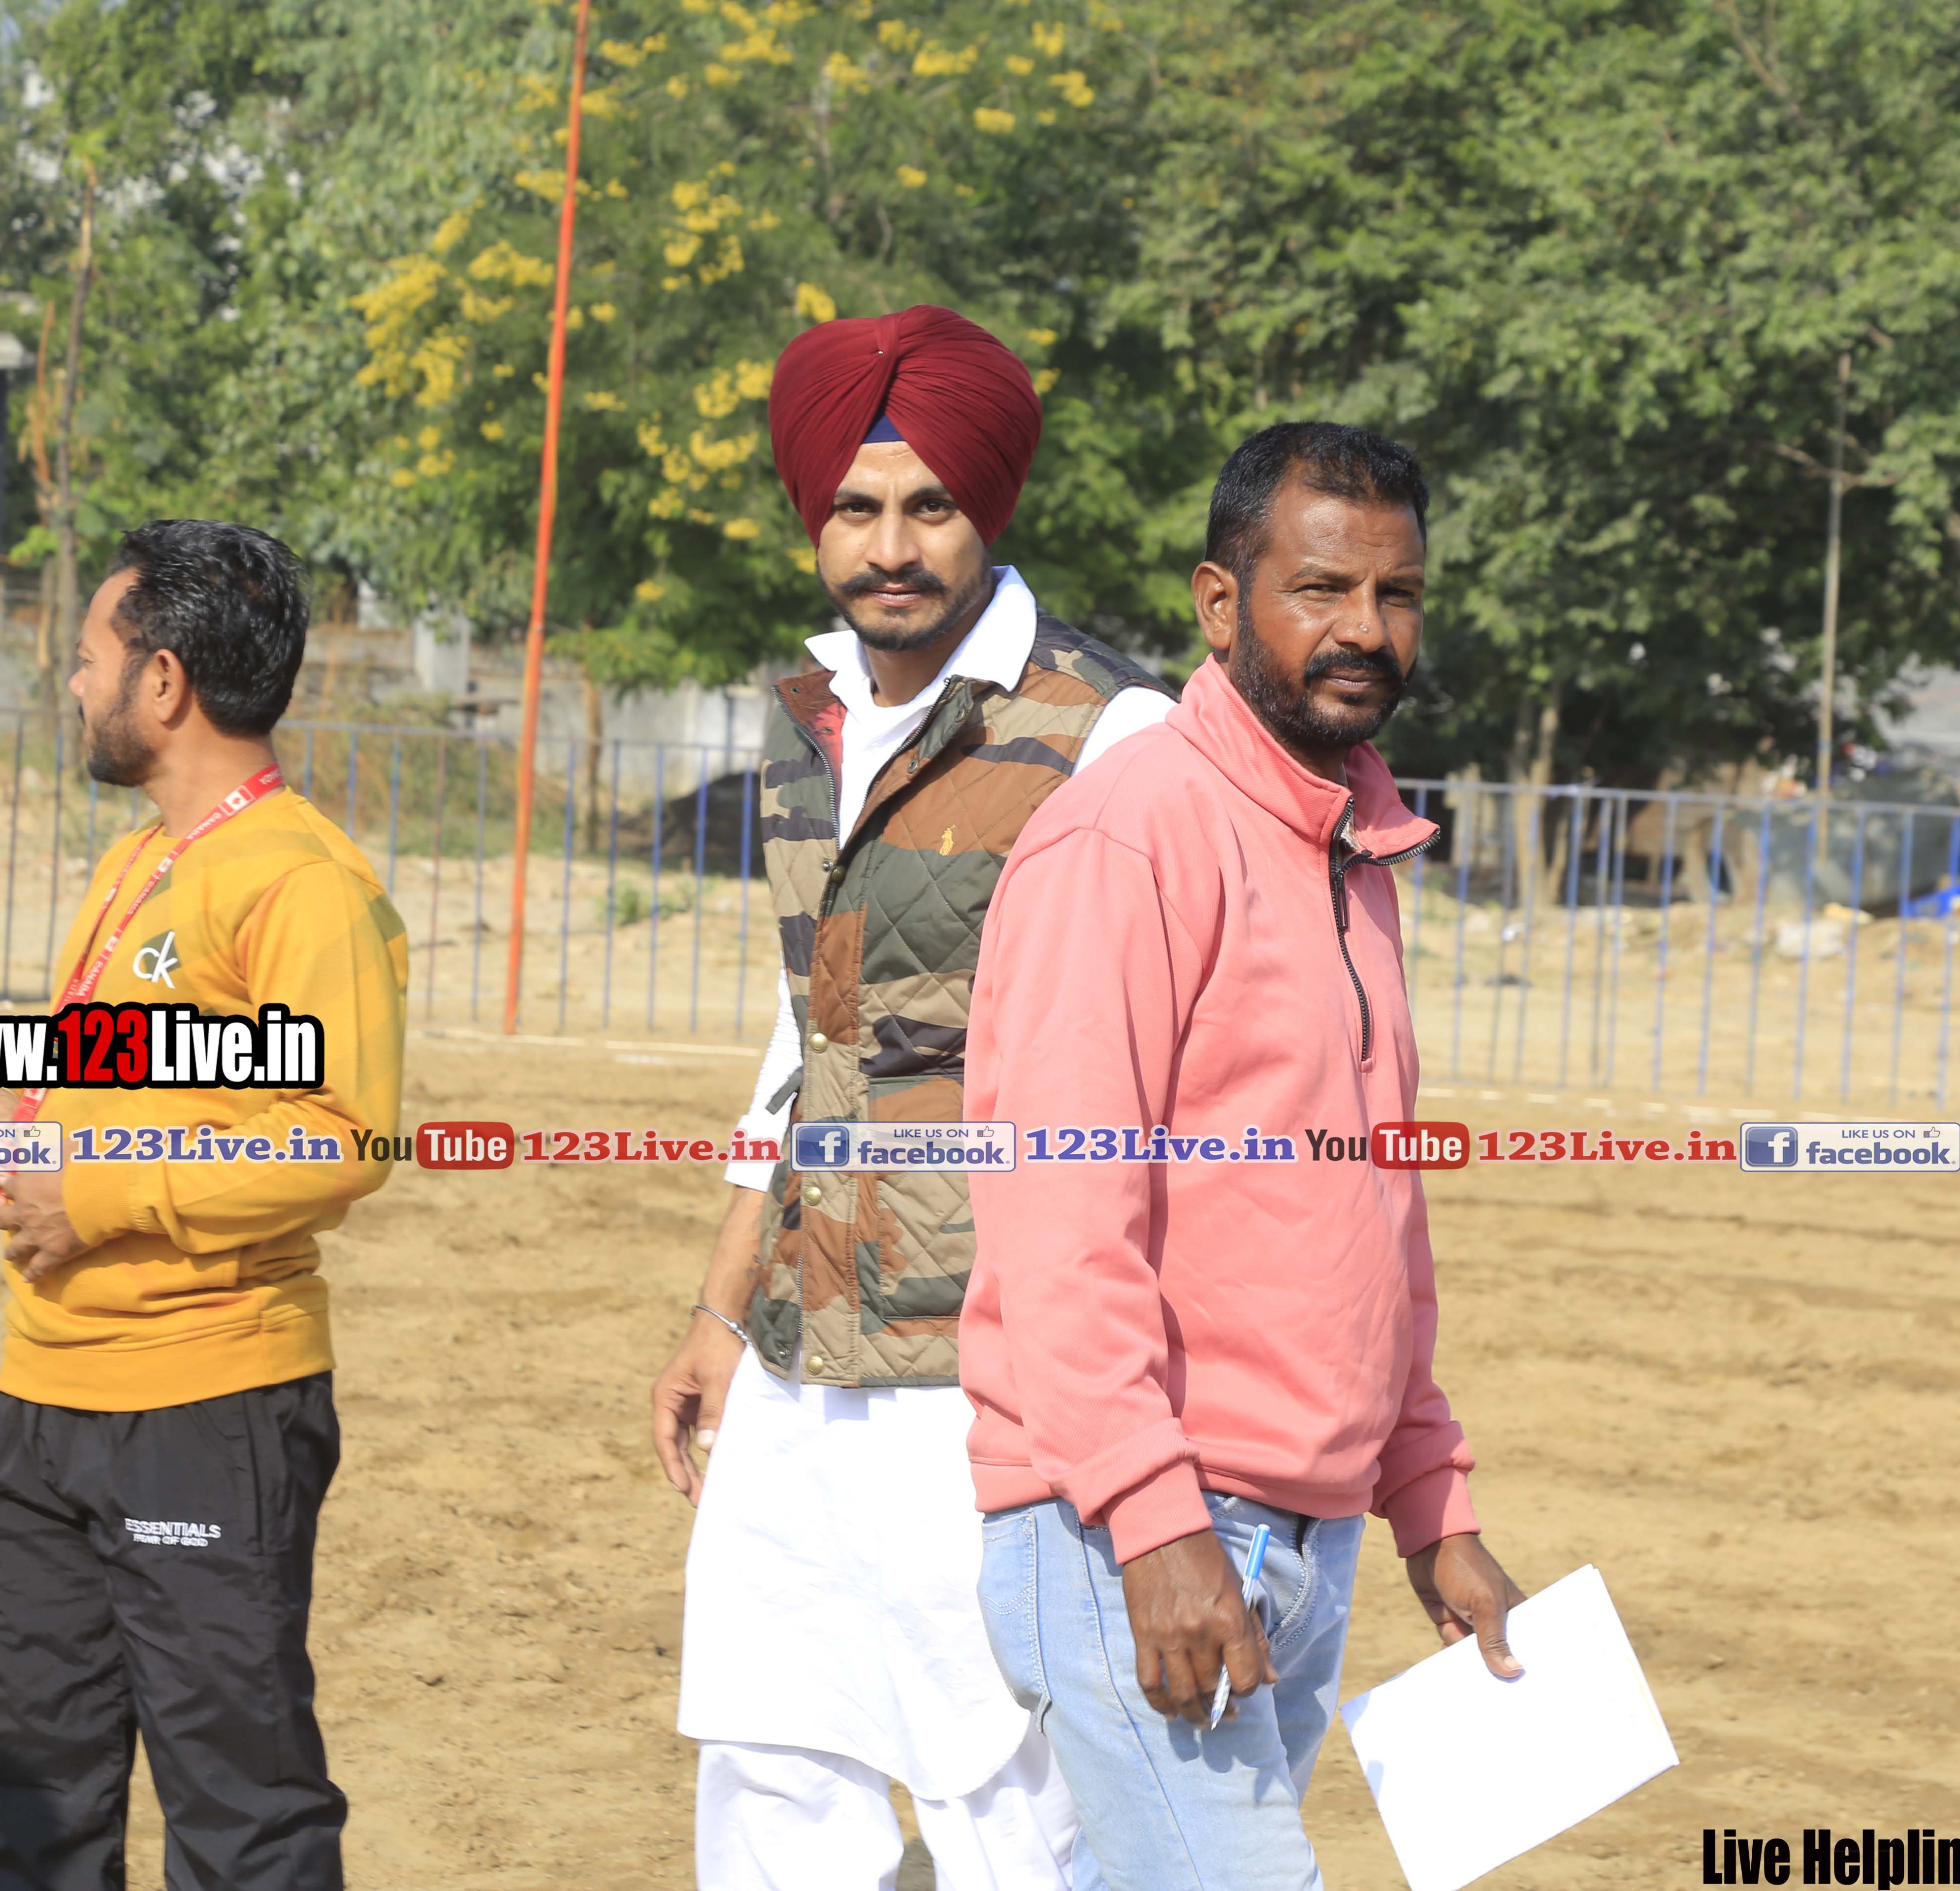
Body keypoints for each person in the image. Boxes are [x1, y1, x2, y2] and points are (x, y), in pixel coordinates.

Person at [959, 422, 1528, 1889]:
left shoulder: (1350, 846)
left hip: (1302, 1530)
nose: (1366, 630)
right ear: (1220, 604)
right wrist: (1155, 1524)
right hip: (1142, 1521)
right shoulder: (1128, 836)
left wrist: (1429, 1499)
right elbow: (1059, 1218)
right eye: (1321, 588)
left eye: (1397, 594)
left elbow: (1372, 1218)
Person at [647, 303, 1173, 1891]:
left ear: (986, 506)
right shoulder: (805, 720)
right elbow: (806, 1031)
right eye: (857, 508)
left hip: (992, 1365)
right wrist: (721, 1307)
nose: (891, 548)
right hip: (803, 1349)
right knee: (768, 1758)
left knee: (1003, 1790)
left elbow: (1162, 1066)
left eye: (930, 505)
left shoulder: (1113, 732)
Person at [0, 521, 408, 1890]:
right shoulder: (139, 860)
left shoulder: (303, 880)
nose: (73, 680)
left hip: (205, 1405)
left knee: (239, 1814)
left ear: (163, 681)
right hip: (43, 1396)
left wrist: (101, 1195)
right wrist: (21, 1094)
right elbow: (146, 1063)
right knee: (18, 1800)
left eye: (89, 655)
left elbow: (345, 1135)